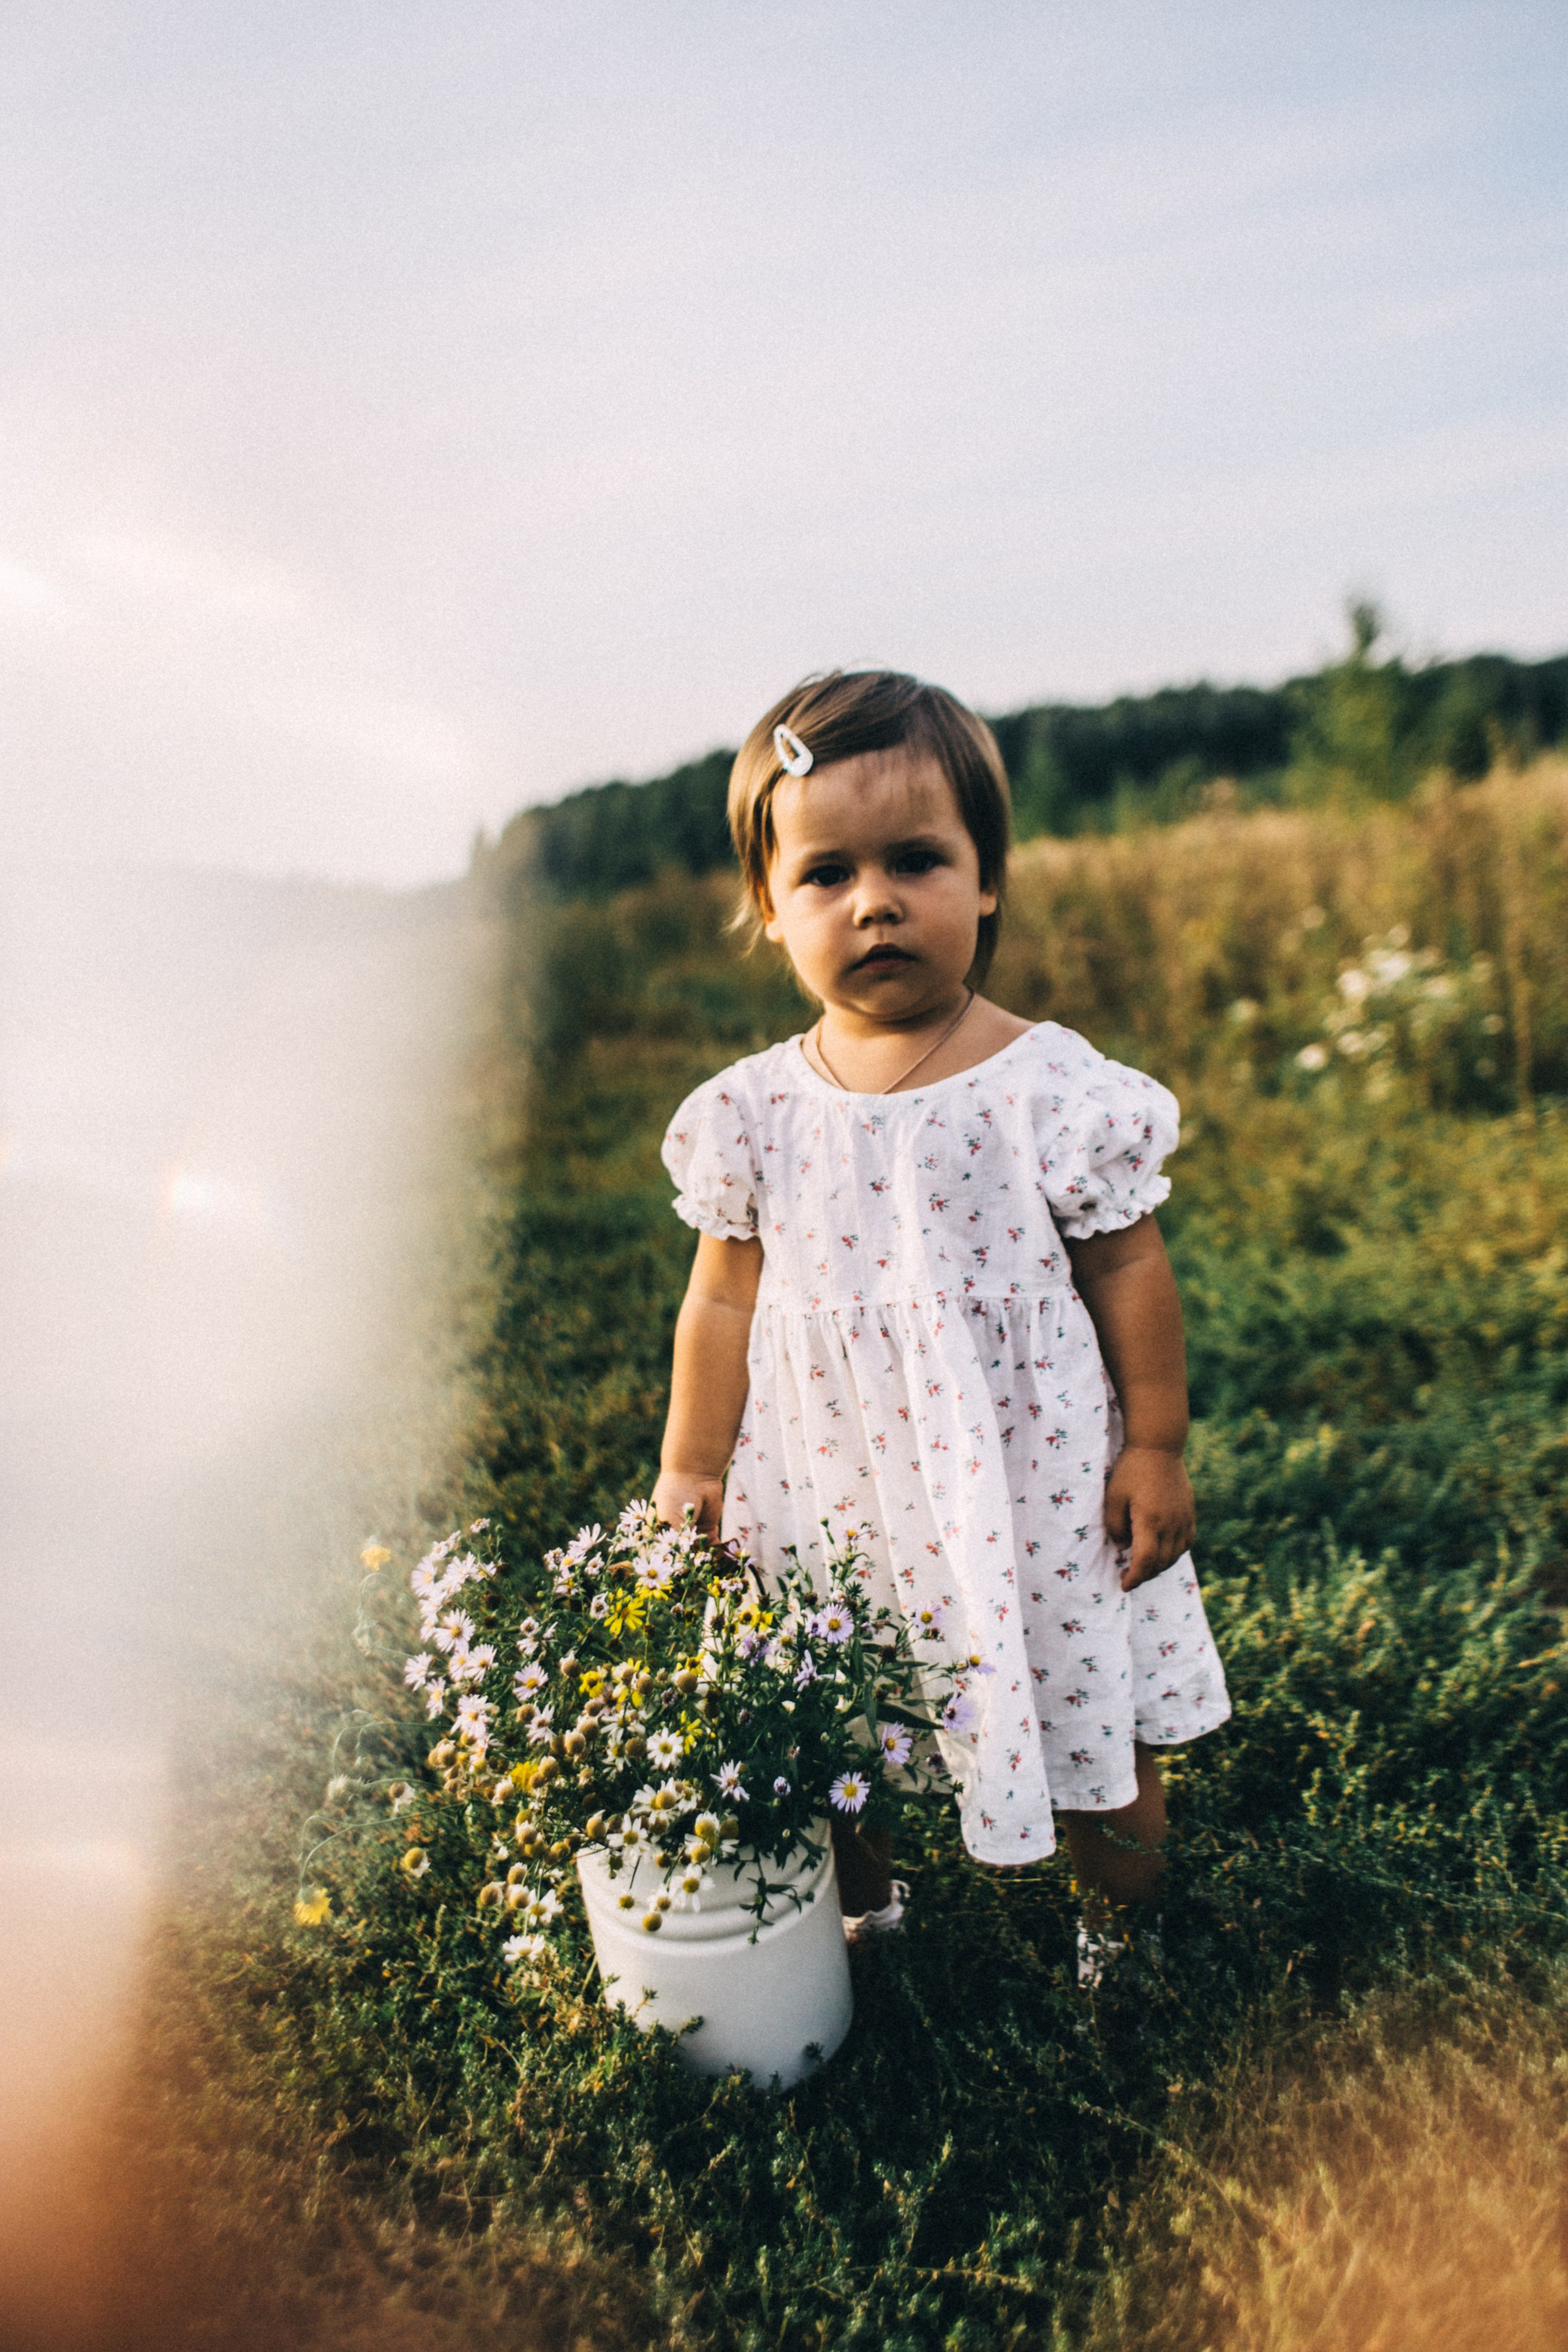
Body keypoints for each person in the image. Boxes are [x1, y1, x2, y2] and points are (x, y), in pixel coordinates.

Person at [650, 671, 1229, 1967]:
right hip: (830, 1476)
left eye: (916, 860)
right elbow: (721, 1296)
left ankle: (1119, 1937)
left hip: (1022, 1474)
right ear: (767, 906)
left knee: (1088, 1705)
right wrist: (692, 1466)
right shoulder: (749, 1113)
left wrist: (1155, 1445)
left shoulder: (1048, 1087)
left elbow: (1127, 1272)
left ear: (984, 883)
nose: (874, 902)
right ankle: (865, 1913)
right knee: (828, 1709)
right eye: (825, 874)